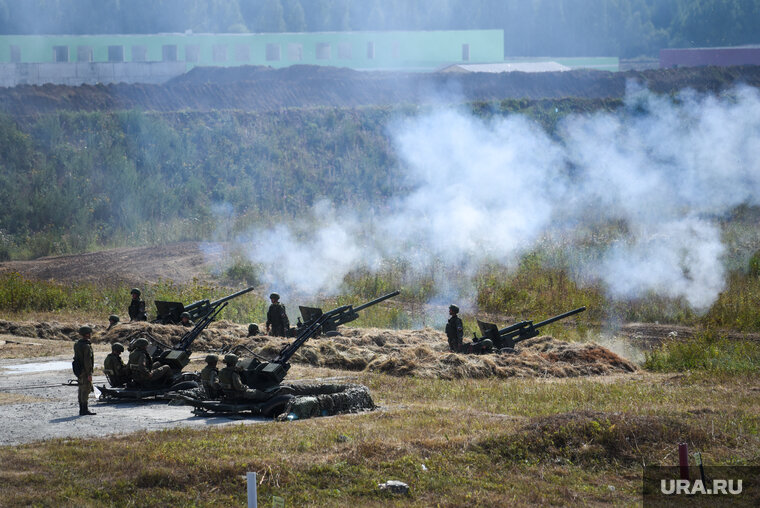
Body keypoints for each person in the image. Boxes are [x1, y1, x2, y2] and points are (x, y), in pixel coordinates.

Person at [73, 325, 96, 416]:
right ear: (87, 334)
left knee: (81, 389)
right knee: (85, 389)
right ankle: (84, 410)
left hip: (79, 369)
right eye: (89, 333)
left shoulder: (77, 344)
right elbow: (87, 361)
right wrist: (89, 373)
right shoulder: (86, 346)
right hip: (84, 371)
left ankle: (82, 409)